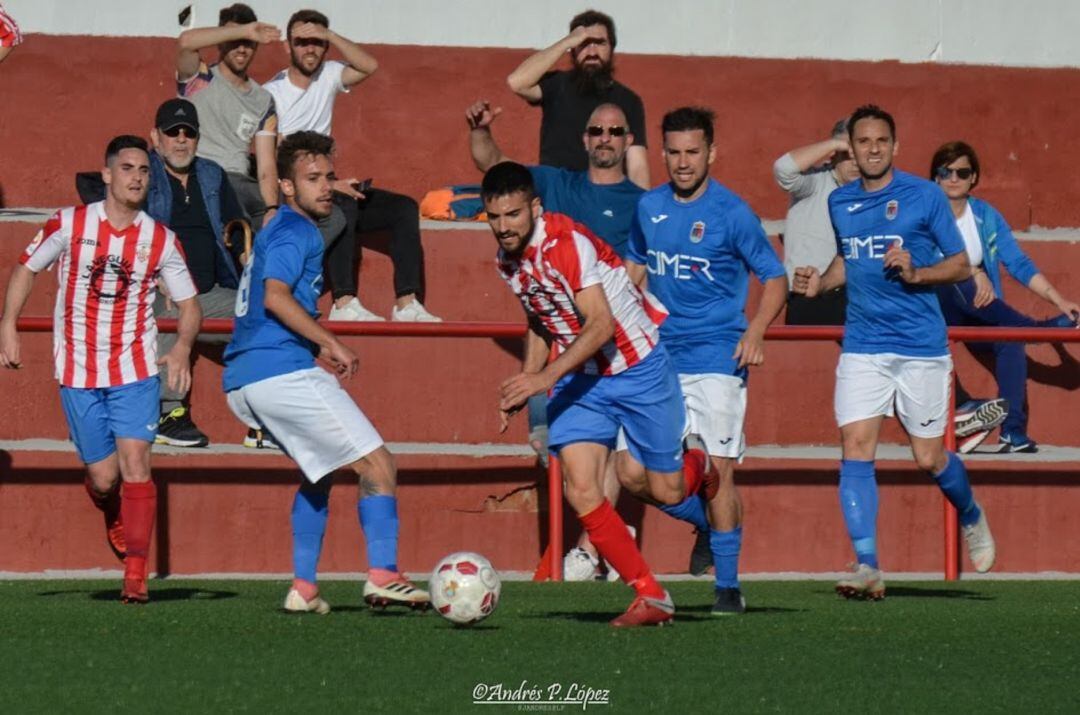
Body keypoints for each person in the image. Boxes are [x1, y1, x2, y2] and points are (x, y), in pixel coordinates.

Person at [485, 161, 715, 627]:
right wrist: (525, 385)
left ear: (534, 207)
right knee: (581, 487)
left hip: (637, 367)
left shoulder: (565, 245)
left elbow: (602, 324)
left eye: (512, 215)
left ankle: (702, 466)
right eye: (494, 217)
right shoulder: (507, 261)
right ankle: (650, 595)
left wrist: (542, 381)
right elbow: (540, 318)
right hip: (582, 378)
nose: (504, 227)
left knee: (667, 489)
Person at [792, 105, 996, 599]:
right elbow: (849, 259)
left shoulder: (924, 196)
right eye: (863, 142)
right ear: (852, 149)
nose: (873, 148)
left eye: (881, 140)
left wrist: (917, 273)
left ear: (895, 146)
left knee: (929, 458)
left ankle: (971, 513)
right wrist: (821, 282)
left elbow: (962, 265)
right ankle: (867, 566)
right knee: (855, 451)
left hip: (921, 348)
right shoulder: (841, 202)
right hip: (863, 346)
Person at [223, 131, 428, 614]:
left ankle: (304, 586)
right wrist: (329, 340)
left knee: (320, 473)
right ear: (288, 188)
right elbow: (274, 296)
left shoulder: (278, 228)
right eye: (312, 179)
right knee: (379, 464)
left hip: (243, 380)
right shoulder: (297, 231)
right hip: (279, 373)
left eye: (329, 177)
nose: (326, 188)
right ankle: (383, 575)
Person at [0, 136, 202, 603]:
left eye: (144, 171)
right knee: (105, 477)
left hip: (134, 368)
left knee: (136, 465)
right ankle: (110, 507)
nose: (136, 177)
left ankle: (135, 573)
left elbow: (189, 303)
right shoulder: (70, 223)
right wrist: (9, 324)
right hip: (78, 368)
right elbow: (27, 268)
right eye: (127, 168)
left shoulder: (160, 238)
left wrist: (183, 346)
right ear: (108, 175)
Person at [468, 99, 646, 580]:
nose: (605, 137)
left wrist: (614, 301)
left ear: (629, 141)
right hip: (562, 349)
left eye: (616, 130)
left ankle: (589, 551)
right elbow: (495, 169)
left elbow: (639, 269)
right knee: (557, 457)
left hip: (617, 345)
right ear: (585, 138)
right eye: (596, 129)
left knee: (618, 461)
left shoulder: (642, 203)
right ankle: (607, 541)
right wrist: (481, 131)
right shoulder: (555, 184)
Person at [625, 107, 788, 615]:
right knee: (631, 473)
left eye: (692, 151)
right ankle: (702, 519)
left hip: (718, 357)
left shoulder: (732, 213)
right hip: (659, 359)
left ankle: (728, 588)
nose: (682, 162)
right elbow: (632, 268)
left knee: (718, 470)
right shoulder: (648, 207)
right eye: (673, 152)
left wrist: (756, 331)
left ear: (711, 153)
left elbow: (775, 277)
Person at [264, 9, 439, 322]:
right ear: (288, 46)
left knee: (403, 208)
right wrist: (332, 185)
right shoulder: (271, 94)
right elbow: (277, 163)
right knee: (343, 202)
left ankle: (407, 304)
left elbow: (368, 65)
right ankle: (344, 302)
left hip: (328, 182)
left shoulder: (329, 74)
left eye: (317, 42)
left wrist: (329, 34)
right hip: (295, 193)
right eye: (302, 41)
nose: (310, 48)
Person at [930, 140, 1080, 453]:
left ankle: (1012, 432)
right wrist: (973, 271)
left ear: (974, 178)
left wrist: (1059, 300)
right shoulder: (925, 213)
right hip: (935, 307)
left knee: (1010, 341)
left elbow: (1018, 263)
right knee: (962, 284)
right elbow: (924, 262)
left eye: (962, 172)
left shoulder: (985, 216)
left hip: (979, 312)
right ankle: (1041, 330)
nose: (953, 178)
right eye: (946, 172)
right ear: (936, 178)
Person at [144, 98, 260, 448]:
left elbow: (235, 225)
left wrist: (249, 259)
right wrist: (152, 272)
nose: (181, 139)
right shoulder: (142, 173)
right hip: (158, 292)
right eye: (172, 132)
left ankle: (263, 421)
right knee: (168, 313)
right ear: (155, 137)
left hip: (210, 292)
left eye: (188, 133)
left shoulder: (211, 174)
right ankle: (169, 412)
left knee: (266, 317)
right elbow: (108, 206)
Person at [506, 9, 649, 188]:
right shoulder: (556, 85)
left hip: (603, 196)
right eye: (584, 44)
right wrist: (567, 41)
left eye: (599, 43)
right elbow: (516, 82)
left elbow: (637, 165)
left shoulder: (629, 100)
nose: (592, 51)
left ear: (612, 48)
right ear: (573, 50)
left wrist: (641, 210)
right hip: (557, 194)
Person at [176, 3, 281, 231]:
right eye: (235, 42)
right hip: (198, 173)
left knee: (289, 219)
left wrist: (272, 208)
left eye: (249, 44)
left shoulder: (263, 100)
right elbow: (186, 42)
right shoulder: (199, 78)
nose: (242, 49)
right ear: (222, 41)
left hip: (239, 183)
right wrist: (245, 31)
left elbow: (266, 167)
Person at [774, 119, 860, 326]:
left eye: (860, 153)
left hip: (857, 298)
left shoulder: (873, 192)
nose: (856, 162)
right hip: (807, 295)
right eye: (848, 153)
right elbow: (783, 169)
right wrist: (836, 143)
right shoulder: (815, 181)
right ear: (834, 154)